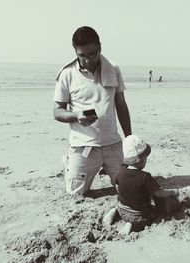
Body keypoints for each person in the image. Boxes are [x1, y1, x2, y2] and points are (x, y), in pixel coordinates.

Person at [53, 26, 132, 195]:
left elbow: (121, 105)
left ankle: (107, 165)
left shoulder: (113, 69)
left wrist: (129, 139)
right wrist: (76, 116)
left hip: (112, 143)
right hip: (84, 145)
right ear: (75, 52)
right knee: (76, 193)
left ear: (100, 48)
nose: (87, 60)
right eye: (82, 55)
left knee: (126, 189)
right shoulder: (67, 73)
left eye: (92, 54)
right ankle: (69, 161)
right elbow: (57, 111)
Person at [103, 135, 179, 235]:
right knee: (154, 213)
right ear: (142, 160)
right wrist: (173, 192)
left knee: (125, 203)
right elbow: (159, 193)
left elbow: (117, 186)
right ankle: (131, 225)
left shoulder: (121, 171)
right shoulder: (145, 177)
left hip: (122, 209)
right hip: (139, 216)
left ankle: (115, 211)